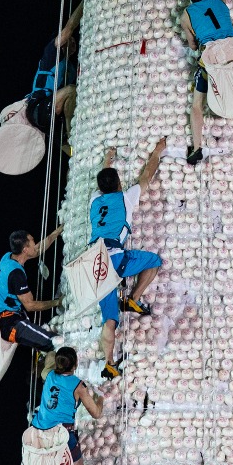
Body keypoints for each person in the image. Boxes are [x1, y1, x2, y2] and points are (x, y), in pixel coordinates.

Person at [89, 140, 166, 379]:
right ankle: (133, 298)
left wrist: (108, 159)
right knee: (153, 261)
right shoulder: (126, 198)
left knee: (109, 321)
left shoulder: (94, 200)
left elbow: (103, 181)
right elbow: (148, 174)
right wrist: (158, 150)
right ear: (120, 183)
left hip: (94, 263)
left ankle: (109, 364)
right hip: (114, 258)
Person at [178, 0, 233, 165]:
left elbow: (192, 45)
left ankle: (197, 148)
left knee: (196, 105)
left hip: (212, 59)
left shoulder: (186, 15)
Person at [0, 228, 63, 352]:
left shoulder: (8, 257)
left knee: (48, 340)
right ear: (25, 250)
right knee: (52, 341)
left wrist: (57, 232)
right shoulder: (16, 274)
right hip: (6, 322)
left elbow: (38, 249)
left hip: (6, 314)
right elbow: (30, 305)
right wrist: (57, 302)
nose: (35, 244)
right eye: (32, 241)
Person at [25, 2, 83, 148]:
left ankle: (72, 153)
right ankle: (72, 136)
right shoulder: (52, 53)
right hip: (38, 107)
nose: (73, 42)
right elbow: (68, 29)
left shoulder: (70, 68)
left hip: (52, 116)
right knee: (70, 90)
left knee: (70, 153)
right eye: (71, 40)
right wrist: (83, 4)